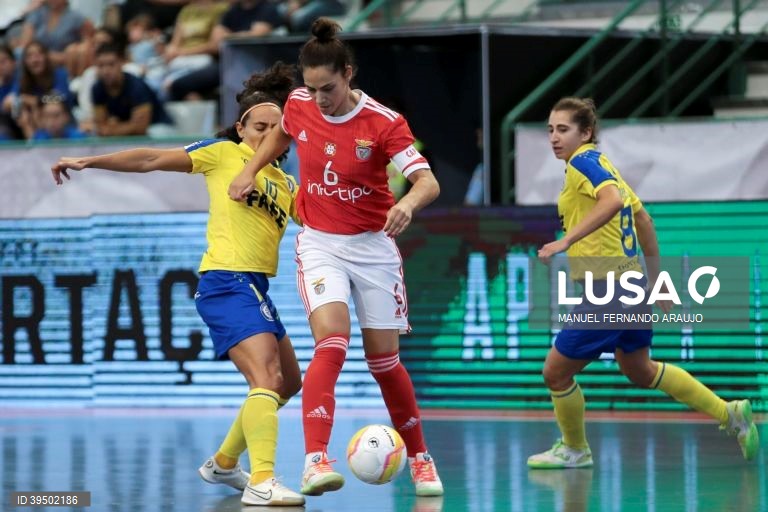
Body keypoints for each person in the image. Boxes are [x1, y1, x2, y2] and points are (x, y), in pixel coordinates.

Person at [50, 62, 306, 507]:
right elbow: (150, 159)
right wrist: (90, 159)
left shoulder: (285, 184)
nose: (266, 135)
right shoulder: (224, 155)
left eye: (274, 128)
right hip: (226, 280)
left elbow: (327, 221)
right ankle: (263, 480)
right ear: (240, 128)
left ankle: (224, 464)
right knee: (266, 375)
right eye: (257, 126)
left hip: (255, 287)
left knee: (288, 385)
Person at [228, 18, 444, 498]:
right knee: (333, 343)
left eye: (328, 88)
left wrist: (406, 204)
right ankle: (314, 460)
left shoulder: (384, 123)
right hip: (320, 242)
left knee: (384, 361)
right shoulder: (301, 104)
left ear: (349, 74)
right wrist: (251, 169)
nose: (319, 98)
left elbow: (427, 181)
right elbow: (282, 134)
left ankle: (421, 459)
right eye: (312, 88)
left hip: (372, 247)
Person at [527, 97, 760, 469]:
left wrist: (566, 240)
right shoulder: (606, 166)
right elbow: (644, 220)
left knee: (555, 372)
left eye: (564, 129)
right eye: (551, 130)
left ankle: (575, 449)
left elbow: (612, 202)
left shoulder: (582, 164)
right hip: (631, 285)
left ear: (586, 133)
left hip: (609, 288)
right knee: (640, 368)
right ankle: (731, 413)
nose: (554, 137)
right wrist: (656, 280)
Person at [90, 42, 172, 136]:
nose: (106, 71)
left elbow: (140, 128)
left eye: (111, 64)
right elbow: (101, 126)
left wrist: (111, 129)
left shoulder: (137, 86)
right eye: (101, 66)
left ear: (121, 63)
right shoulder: (97, 88)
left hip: (159, 127)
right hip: (127, 133)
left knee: (155, 132)